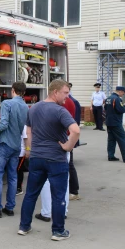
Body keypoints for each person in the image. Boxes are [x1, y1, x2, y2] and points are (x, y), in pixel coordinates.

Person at [18, 79, 80, 241]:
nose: (68, 96)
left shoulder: (34, 108)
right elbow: (76, 131)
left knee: (31, 194)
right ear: (55, 92)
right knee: (58, 196)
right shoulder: (60, 111)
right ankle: (58, 231)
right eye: (65, 93)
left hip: (37, 158)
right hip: (56, 159)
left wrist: (31, 149)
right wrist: (68, 147)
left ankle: (24, 227)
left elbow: (29, 131)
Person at [0, 82, 28, 218]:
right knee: (13, 177)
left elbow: (4, 123)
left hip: (5, 143)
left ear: (12, 90)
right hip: (16, 145)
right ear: (24, 92)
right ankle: (10, 207)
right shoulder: (25, 106)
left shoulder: (7, 103)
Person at [35, 95, 77, 223]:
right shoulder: (71, 102)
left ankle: (47, 213)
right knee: (64, 180)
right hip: (64, 144)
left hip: (52, 147)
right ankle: (63, 211)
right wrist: (69, 145)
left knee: (47, 181)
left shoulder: (52, 107)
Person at [105, 86, 125, 164]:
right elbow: (121, 110)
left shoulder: (108, 98)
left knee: (111, 139)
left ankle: (111, 156)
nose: (123, 94)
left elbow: (105, 108)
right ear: (120, 91)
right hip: (116, 122)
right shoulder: (117, 99)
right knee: (123, 139)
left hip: (109, 122)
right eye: (123, 92)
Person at [68, 87, 81, 200]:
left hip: (66, 137)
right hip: (67, 137)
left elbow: (75, 123)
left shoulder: (72, 102)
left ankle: (73, 191)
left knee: (69, 164)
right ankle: (73, 190)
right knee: (68, 164)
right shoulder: (72, 101)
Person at [16, 126, 28, 195]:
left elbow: (26, 139)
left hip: (21, 152)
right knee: (14, 171)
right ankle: (15, 187)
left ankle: (19, 188)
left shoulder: (23, 126)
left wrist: (27, 150)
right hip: (14, 152)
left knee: (19, 170)